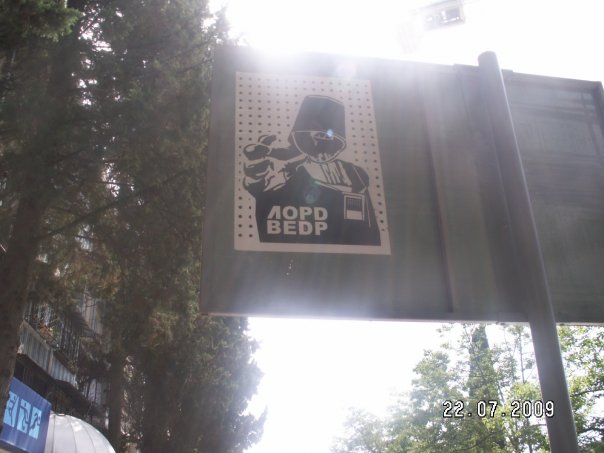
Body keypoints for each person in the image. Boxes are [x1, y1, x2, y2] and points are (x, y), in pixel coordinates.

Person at [242, 95, 380, 246]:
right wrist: (261, 189)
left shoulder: (356, 174)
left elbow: (371, 233)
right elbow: (272, 227)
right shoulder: (285, 173)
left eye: (329, 136)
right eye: (318, 136)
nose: (322, 143)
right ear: (299, 138)